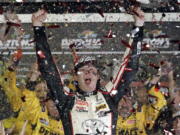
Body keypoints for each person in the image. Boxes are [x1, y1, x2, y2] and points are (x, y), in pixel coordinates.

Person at [32, 6, 144, 135]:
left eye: (92, 70)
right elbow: (48, 69)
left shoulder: (109, 96)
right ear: (75, 77)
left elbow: (130, 67)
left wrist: (139, 26)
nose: (88, 72)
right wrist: (38, 28)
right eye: (83, 70)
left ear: (98, 77)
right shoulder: (67, 99)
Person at [116, 63, 167, 135]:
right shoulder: (145, 118)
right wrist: (150, 84)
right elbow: (161, 101)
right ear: (132, 103)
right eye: (125, 105)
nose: (123, 104)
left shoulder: (110, 117)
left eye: (122, 105)